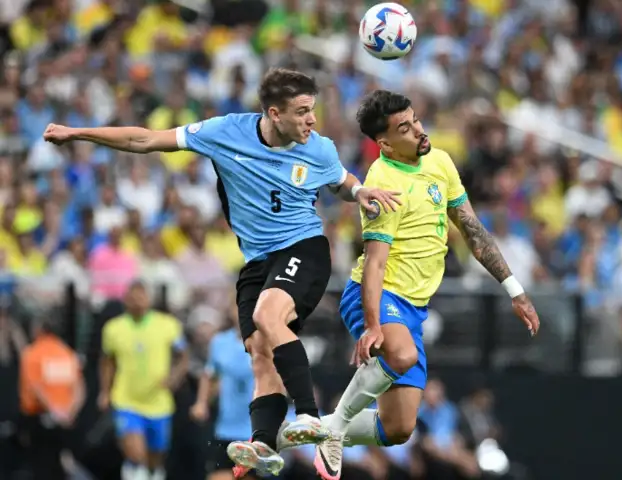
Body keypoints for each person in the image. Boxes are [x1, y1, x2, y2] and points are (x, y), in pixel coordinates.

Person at [43, 67, 401, 477]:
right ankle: (265, 442)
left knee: (269, 319)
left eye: (313, 110)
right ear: (273, 113)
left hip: (304, 248)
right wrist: (77, 133)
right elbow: (145, 139)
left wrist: (359, 192)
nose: (312, 120)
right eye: (302, 111)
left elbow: (340, 181)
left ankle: (309, 416)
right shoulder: (224, 132)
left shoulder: (318, 148)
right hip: (257, 263)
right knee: (258, 351)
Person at [279, 90, 540, 480]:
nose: (418, 129)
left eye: (415, 119)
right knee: (398, 355)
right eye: (405, 127)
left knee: (398, 429)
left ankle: (297, 434)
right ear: (384, 142)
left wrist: (515, 290)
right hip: (378, 294)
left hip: (414, 308)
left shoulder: (441, 162)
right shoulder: (382, 183)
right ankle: (333, 428)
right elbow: (374, 263)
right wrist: (371, 324)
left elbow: (472, 230)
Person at [98, 281, 189, 480]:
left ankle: (153, 474)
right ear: (126, 300)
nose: (138, 302)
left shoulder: (167, 325)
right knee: (136, 453)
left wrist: (174, 377)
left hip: (158, 402)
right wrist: (105, 391)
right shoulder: (114, 328)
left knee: (155, 457)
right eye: (133, 297)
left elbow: (183, 356)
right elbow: (107, 362)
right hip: (127, 400)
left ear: (149, 299)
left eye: (141, 296)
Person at [190, 302, 256, 480]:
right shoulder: (219, 342)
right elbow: (209, 375)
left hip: (254, 430)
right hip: (225, 428)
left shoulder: (266, 341)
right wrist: (201, 402)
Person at [19, 317, 85, 480]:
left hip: (41, 419)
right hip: (67, 420)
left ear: (39, 330)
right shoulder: (67, 353)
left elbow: (35, 387)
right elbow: (79, 388)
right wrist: (70, 412)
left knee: (42, 467)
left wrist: (55, 412)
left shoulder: (32, 353)